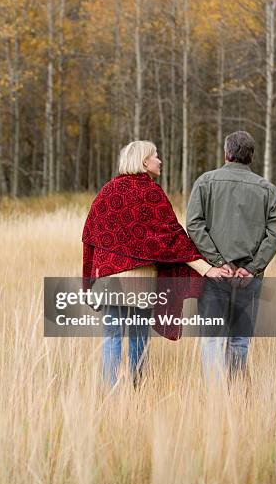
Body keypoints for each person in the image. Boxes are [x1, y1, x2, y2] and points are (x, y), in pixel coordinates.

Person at [82, 140, 232, 387]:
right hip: (140, 281)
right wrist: (208, 269)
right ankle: (136, 388)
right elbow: (173, 238)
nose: (159, 160)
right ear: (144, 162)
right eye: (155, 156)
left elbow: (90, 235)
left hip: (108, 278)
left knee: (111, 338)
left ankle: (110, 394)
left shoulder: (107, 191)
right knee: (139, 336)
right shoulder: (151, 193)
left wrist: (92, 275)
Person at [186, 130, 276, 381]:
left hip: (214, 276)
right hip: (249, 277)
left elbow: (194, 225)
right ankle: (236, 394)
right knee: (240, 339)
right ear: (251, 156)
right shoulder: (267, 189)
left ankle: (215, 399)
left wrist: (217, 263)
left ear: (226, 153)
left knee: (212, 340)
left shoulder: (205, 182)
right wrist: (253, 267)